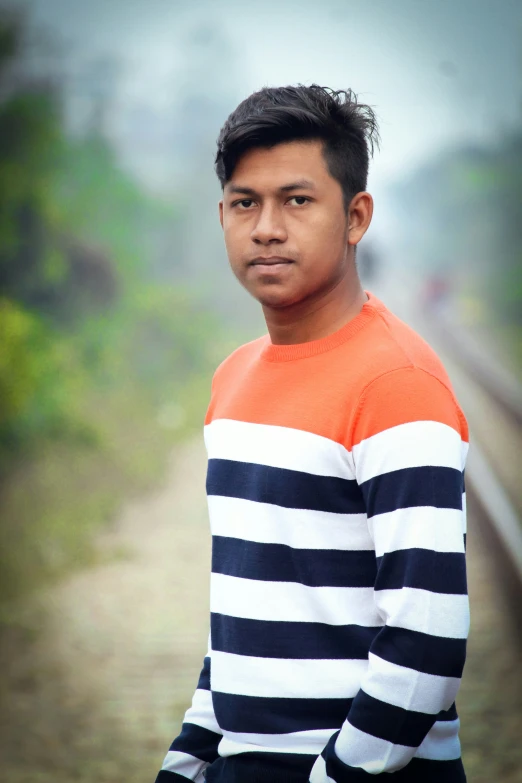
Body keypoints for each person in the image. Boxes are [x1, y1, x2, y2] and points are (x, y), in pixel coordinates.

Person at [154, 85, 469, 783]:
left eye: (297, 200)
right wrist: (190, 754)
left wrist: (335, 775)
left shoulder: (397, 383)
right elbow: (246, 607)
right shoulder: (232, 382)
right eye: (245, 202)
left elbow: (428, 634)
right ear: (223, 215)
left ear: (356, 216)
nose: (266, 227)